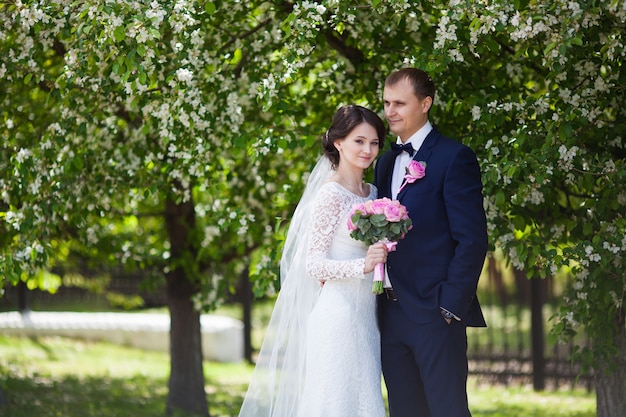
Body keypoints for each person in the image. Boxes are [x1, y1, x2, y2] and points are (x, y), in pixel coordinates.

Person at [238, 104, 389, 417]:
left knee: (365, 398)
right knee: (334, 402)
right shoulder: (330, 194)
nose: (367, 150)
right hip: (337, 313)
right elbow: (314, 264)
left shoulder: (373, 193)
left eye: (373, 143)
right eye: (359, 141)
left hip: (367, 316)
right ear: (339, 142)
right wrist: (362, 265)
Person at [374, 68, 488, 417]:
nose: (390, 111)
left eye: (399, 103)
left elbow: (471, 240)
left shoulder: (455, 157)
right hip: (390, 315)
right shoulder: (385, 161)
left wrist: (449, 308)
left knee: (447, 410)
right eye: (386, 103)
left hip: (435, 314)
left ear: (426, 103)